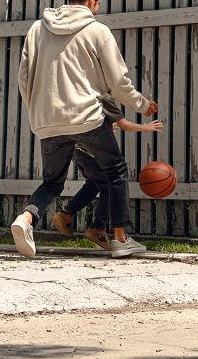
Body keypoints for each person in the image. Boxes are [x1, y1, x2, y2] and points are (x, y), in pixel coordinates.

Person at [9, 0, 157, 258]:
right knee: (115, 171)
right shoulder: (98, 31)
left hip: (47, 119)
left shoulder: (38, 28)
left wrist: (38, 111)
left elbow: (24, 78)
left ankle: (26, 218)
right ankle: (120, 239)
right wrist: (141, 104)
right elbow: (118, 81)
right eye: (97, 2)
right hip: (86, 117)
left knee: (52, 182)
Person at [52, 96, 165, 249]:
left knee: (93, 185)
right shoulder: (104, 97)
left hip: (78, 151)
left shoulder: (82, 96)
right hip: (91, 154)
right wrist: (146, 127)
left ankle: (67, 213)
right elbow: (124, 124)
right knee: (109, 187)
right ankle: (98, 228)